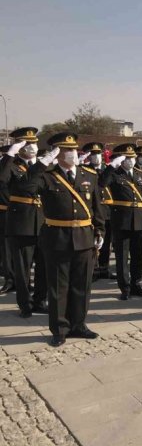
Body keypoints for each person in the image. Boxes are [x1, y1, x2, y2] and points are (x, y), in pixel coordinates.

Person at [26, 132, 105, 346]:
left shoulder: (89, 174)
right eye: (67, 150)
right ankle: (60, 329)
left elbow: (97, 207)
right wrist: (42, 163)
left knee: (82, 285)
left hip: (85, 238)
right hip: (57, 238)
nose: (72, 153)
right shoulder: (46, 175)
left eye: (73, 149)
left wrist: (100, 231)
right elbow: (27, 187)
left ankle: (79, 325)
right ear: (57, 153)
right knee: (58, 287)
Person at [0, 128, 48, 318]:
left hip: (43, 221)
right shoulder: (11, 165)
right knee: (23, 269)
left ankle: (40, 300)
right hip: (21, 223)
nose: (32, 147)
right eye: (27, 144)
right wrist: (9, 155)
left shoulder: (44, 165)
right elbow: (2, 180)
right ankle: (25, 304)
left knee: (43, 266)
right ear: (19, 146)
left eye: (34, 143)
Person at [101, 144, 142, 300]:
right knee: (122, 257)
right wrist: (111, 166)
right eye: (127, 158)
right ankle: (125, 288)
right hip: (121, 221)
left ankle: (136, 284)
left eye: (132, 157)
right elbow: (102, 183)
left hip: (139, 221)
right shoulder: (114, 174)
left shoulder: (141, 175)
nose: (131, 160)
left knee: (138, 256)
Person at [81, 142, 115, 280]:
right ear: (88, 156)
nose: (96, 157)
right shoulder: (84, 171)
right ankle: (94, 270)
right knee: (94, 242)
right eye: (93, 154)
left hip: (107, 211)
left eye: (98, 154)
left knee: (106, 243)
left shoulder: (107, 169)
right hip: (93, 211)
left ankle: (104, 269)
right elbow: (101, 183)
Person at [0, 145, 14, 294]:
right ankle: (10, 278)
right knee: (6, 248)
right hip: (4, 212)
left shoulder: (18, 168)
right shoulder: (3, 169)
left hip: (22, 213)